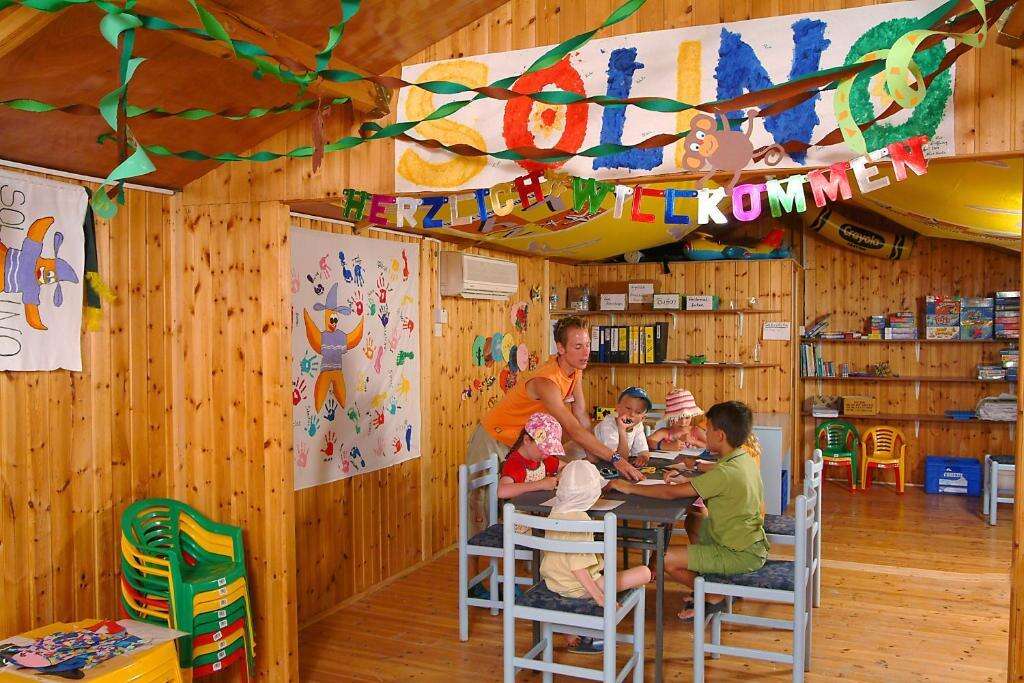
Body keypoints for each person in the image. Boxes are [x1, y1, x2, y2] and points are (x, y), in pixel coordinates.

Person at [607, 401, 768, 621]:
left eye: (707, 430)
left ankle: (714, 595)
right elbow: (716, 477)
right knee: (695, 518)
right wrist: (688, 477)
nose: (704, 434)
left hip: (738, 554)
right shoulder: (741, 459)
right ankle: (713, 585)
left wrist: (628, 487)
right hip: (749, 543)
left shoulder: (725, 472)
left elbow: (669, 493)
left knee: (664, 559)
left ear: (720, 435)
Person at [467, 316, 642, 507]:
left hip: (525, 443)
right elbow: (573, 429)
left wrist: (593, 460)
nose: (586, 352)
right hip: (494, 437)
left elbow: (581, 415)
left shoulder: (575, 370)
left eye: (587, 345)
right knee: (482, 506)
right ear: (561, 348)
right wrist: (615, 458)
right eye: (578, 347)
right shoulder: (547, 381)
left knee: (515, 505)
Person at [541, 460, 652, 652]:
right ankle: (589, 629)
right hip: (578, 587)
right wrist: (600, 597)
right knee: (645, 573)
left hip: (554, 581)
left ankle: (570, 626)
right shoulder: (581, 522)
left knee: (606, 571)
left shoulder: (555, 512)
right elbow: (578, 568)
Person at [496, 413, 565, 500]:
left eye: (549, 450)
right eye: (542, 449)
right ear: (527, 440)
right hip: (520, 508)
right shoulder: (515, 462)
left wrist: (558, 477)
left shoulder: (543, 459)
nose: (546, 455)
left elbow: (568, 466)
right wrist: (540, 485)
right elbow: (502, 491)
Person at [592, 386, 653, 467]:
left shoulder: (638, 425)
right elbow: (619, 460)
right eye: (628, 408)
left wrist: (643, 457)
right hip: (587, 462)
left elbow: (643, 451)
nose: (632, 414)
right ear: (617, 408)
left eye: (638, 412)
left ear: (642, 418)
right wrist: (622, 430)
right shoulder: (608, 424)